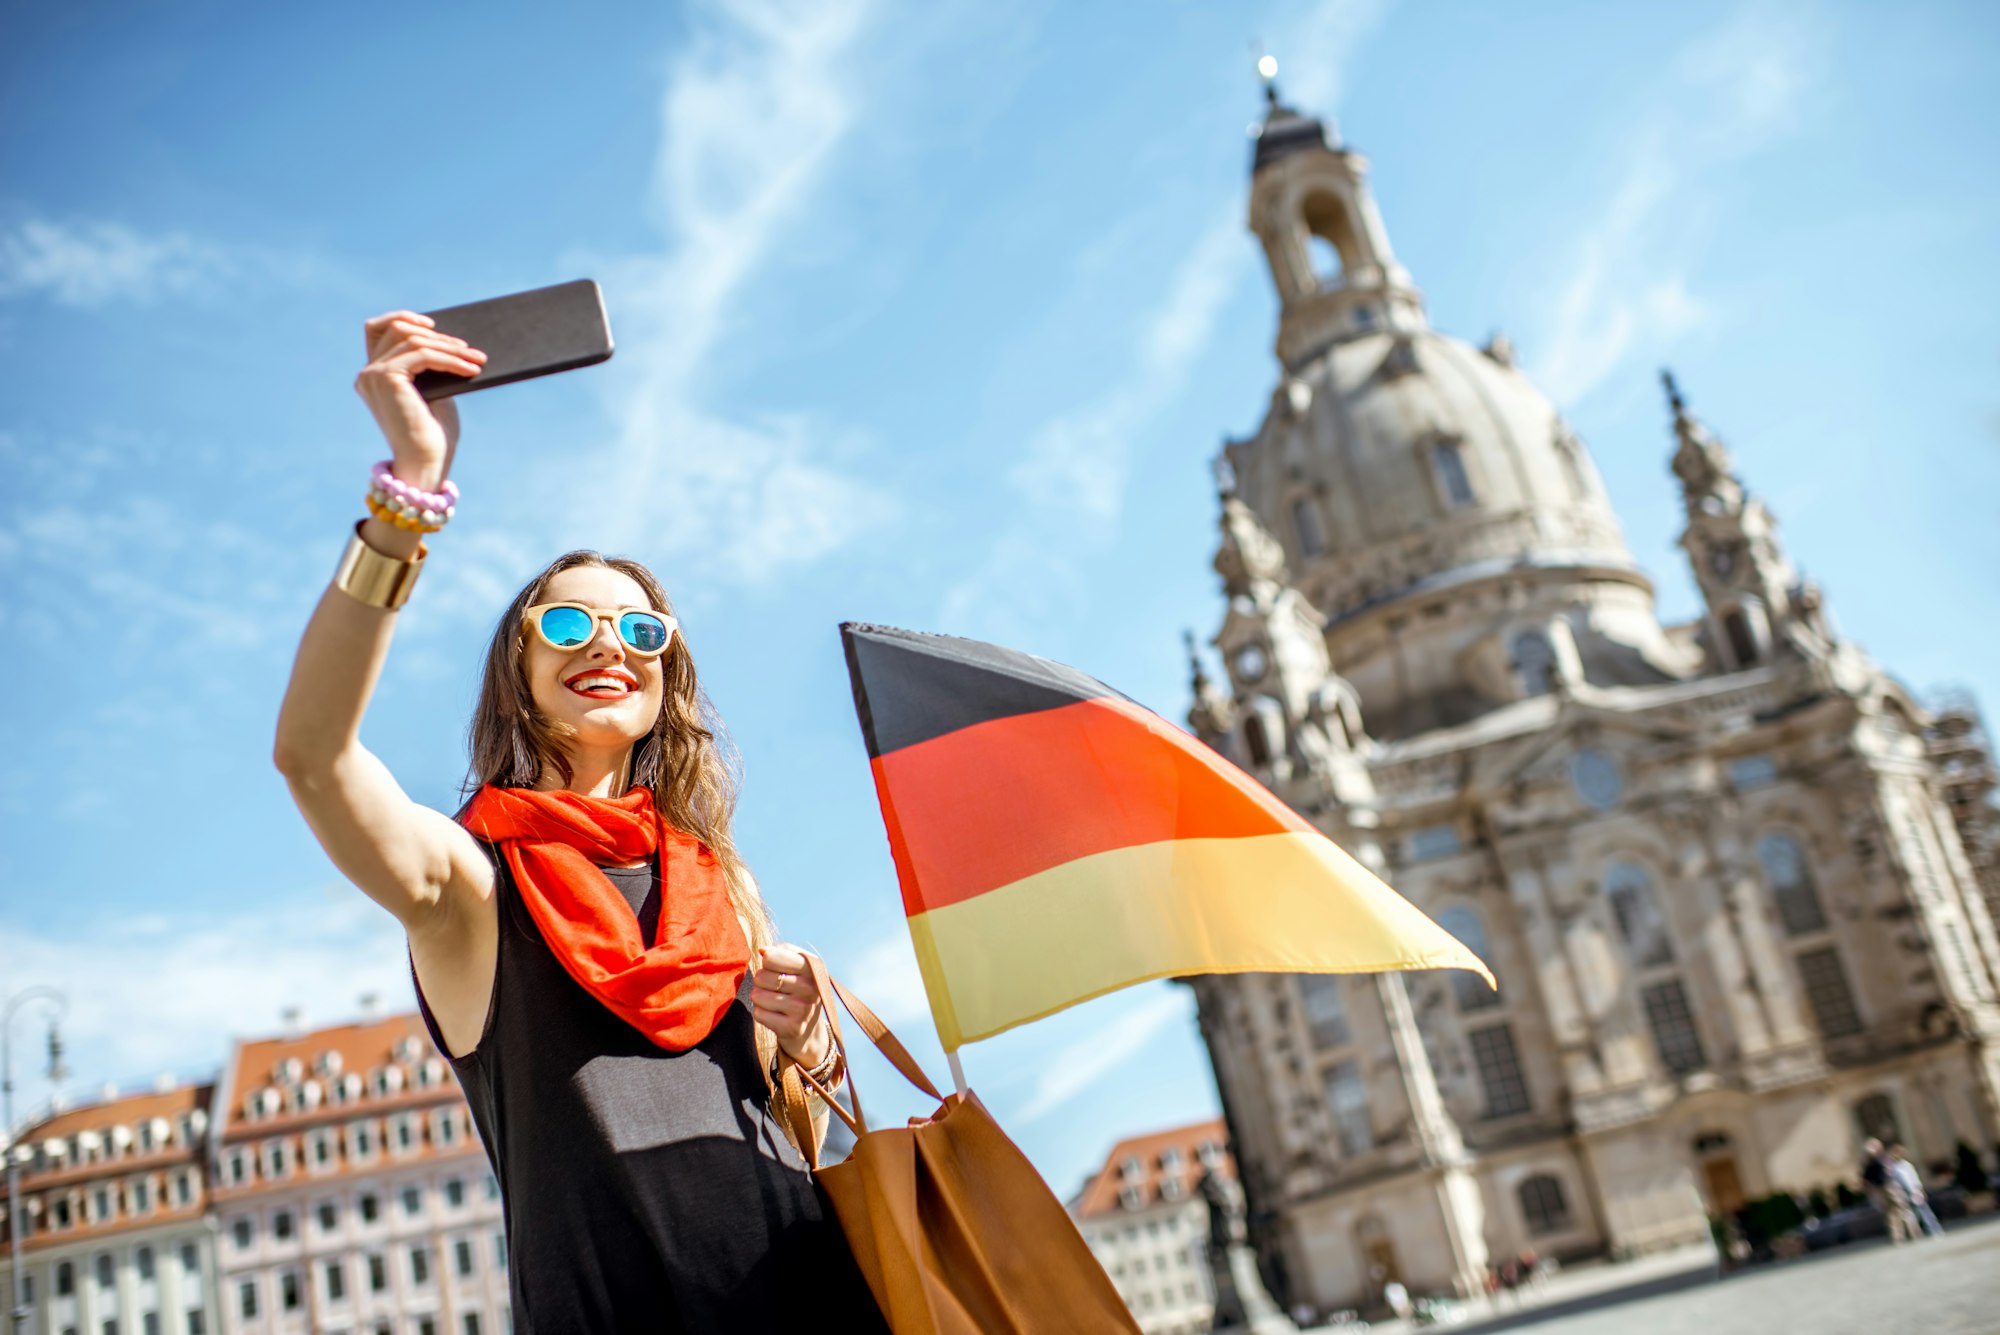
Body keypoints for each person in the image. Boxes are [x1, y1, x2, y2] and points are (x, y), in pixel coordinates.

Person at [274, 311, 884, 1331]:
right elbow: (315, 757)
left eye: (638, 629)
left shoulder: (718, 881)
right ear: (517, 672)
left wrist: (809, 1046)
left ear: (665, 676)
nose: (606, 643)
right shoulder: (472, 883)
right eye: (565, 622)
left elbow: (787, 1141)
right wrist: (406, 502)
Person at [1859, 1137, 1916, 1244]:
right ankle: (1898, 1237)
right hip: (1881, 1189)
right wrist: (1873, 1194)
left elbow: (1892, 1171)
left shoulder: (1884, 1158)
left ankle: (1912, 1232)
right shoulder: (1870, 1164)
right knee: (1891, 1214)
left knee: (1902, 1209)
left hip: (1891, 1186)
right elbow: (1866, 1181)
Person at [1888, 1144, 1944, 1238]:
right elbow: (1895, 1183)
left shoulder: (1907, 1165)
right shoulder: (1894, 1169)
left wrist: (1920, 1189)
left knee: (1925, 1211)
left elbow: (1914, 1179)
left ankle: (1934, 1229)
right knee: (1911, 1215)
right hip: (1904, 1193)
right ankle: (1917, 1233)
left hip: (1914, 1191)